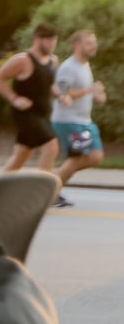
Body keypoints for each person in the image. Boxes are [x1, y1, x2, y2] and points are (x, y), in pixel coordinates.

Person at [0, 23, 62, 179]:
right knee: (51, 146)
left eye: (54, 40)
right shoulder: (23, 60)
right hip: (25, 114)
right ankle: (43, 191)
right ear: (37, 39)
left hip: (42, 113)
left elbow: (48, 84)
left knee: (21, 155)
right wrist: (14, 98)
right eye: (48, 40)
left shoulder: (53, 61)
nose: (52, 44)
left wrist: (60, 96)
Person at [50, 29, 107, 203]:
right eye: (88, 43)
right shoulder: (69, 67)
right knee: (76, 158)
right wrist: (89, 90)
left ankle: (54, 182)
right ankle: (50, 193)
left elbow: (85, 92)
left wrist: (97, 94)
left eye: (94, 43)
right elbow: (62, 92)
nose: (93, 47)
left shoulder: (84, 65)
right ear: (76, 45)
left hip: (84, 122)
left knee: (95, 156)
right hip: (68, 121)